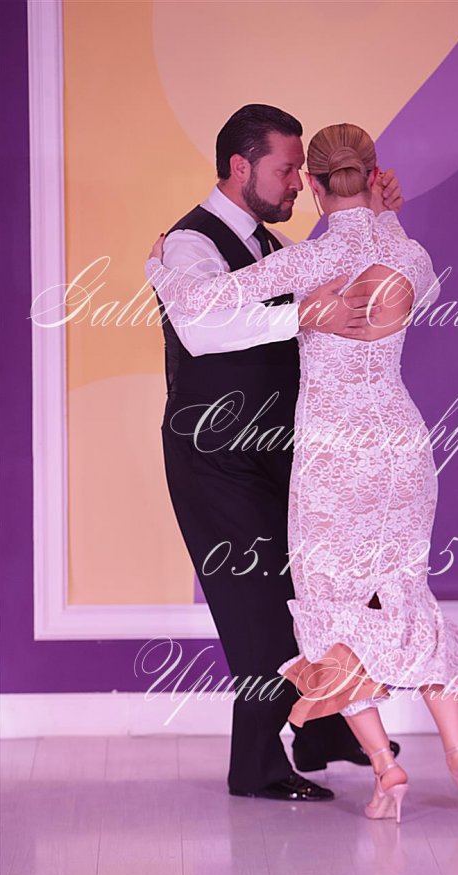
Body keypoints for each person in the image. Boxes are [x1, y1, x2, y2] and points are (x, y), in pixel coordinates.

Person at [147, 122, 458, 822]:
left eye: (296, 174)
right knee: (404, 595)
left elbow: (202, 305)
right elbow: (418, 288)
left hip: (330, 456)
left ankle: (382, 766)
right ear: (374, 176)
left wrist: (158, 268)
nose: (291, 185)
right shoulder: (409, 253)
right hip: (399, 445)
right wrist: (387, 218)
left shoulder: (304, 259)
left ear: (313, 183)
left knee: (327, 609)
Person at [151, 105, 402, 802]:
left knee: (318, 592)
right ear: (241, 166)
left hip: (279, 448)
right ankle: (257, 764)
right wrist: (304, 313)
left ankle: (322, 730)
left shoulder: (273, 245)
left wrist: (376, 215)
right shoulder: (189, 244)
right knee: (258, 610)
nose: (297, 183)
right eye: (286, 169)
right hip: (215, 455)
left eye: (300, 172)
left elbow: (353, 278)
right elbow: (203, 325)